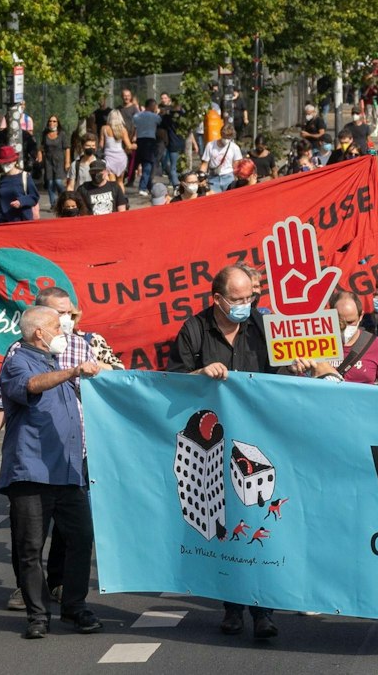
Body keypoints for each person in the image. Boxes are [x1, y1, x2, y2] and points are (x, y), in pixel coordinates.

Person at [167, 265, 289, 640]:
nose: (245, 305)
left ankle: (263, 611)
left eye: (249, 297)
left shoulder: (262, 326)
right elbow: (171, 382)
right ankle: (232, 608)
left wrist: (297, 366)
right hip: (214, 447)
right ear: (217, 299)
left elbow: (282, 378)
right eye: (237, 300)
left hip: (259, 441)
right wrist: (201, 374)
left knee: (259, 523)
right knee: (225, 525)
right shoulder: (194, 330)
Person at [0, 305, 104, 638]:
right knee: (30, 547)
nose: (63, 331)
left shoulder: (55, 362)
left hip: (68, 473)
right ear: (39, 333)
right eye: (57, 326)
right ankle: (37, 615)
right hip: (31, 473)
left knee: (81, 538)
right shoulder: (18, 361)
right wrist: (71, 373)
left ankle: (74, 606)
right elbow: (32, 385)